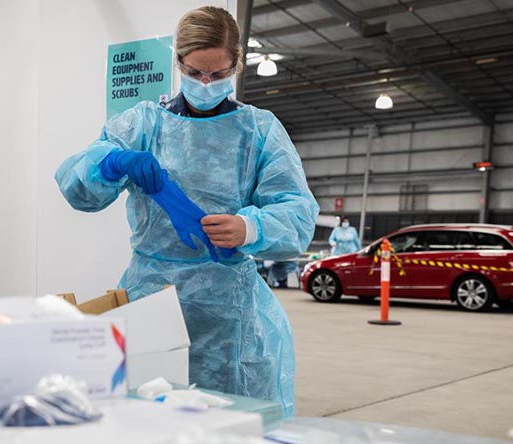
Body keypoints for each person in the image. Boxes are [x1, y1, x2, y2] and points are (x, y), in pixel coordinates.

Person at [55, 6, 318, 417]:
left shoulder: (259, 131)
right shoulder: (145, 123)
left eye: (218, 73)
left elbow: (298, 215)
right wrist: (110, 163)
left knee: (233, 424)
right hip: (151, 299)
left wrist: (248, 227)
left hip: (231, 315)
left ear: (236, 64)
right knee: (145, 418)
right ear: (177, 62)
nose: (206, 83)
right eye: (195, 73)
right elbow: (76, 188)